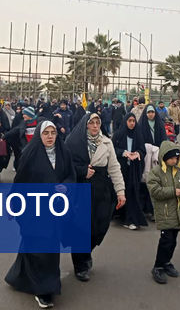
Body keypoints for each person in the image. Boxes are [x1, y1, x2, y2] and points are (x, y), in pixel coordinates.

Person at [4, 121, 76, 309]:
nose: (50, 136)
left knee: (47, 248)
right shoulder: (30, 154)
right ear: (39, 135)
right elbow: (20, 183)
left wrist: (66, 187)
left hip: (54, 211)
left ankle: (21, 277)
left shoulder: (63, 152)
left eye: (53, 133)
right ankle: (43, 291)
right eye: (46, 133)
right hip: (34, 211)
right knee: (38, 248)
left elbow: (71, 175)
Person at [65, 113, 126, 282]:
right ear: (85, 125)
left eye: (97, 123)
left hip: (101, 191)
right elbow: (65, 165)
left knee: (99, 227)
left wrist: (120, 191)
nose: (94, 126)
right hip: (80, 190)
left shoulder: (106, 142)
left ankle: (86, 252)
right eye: (91, 123)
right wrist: (82, 170)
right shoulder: (73, 142)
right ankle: (80, 264)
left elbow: (114, 167)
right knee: (81, 228)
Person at [147, 141, 180, 284]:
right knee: (166, 241)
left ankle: (166, 262)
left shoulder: (179, 171)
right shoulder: (156, 172)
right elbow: (155, 191)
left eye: (176, 158)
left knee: (173, 241)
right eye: (171, 158)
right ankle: (158, 266)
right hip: (165, 213)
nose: (174, 160)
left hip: (177, 213)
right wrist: (173, 191)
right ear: (164, 157)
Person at [112, 112, 147, 230]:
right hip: (121, 169)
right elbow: (112, 150)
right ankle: (121, 215)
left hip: (134, 169)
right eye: (129, 121)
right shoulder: (118, 134)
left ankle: (131, 219)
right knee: (122, 192)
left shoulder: (139, 134)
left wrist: (138, 153)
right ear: (125, 122)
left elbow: (143, 149)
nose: (132, 123)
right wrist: (124, 153)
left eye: (133, 121)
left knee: (132, 192)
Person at [138, 105, 167, 219]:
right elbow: (139, 141)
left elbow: (164, 140)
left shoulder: (159, 125)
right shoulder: (141, 125)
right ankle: (144, 209)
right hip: (146, 158)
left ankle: (154, 211)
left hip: (157, 158)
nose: (151, 114)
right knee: (144, 183)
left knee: (156, 183)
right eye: (149, 112)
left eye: (152, 112)